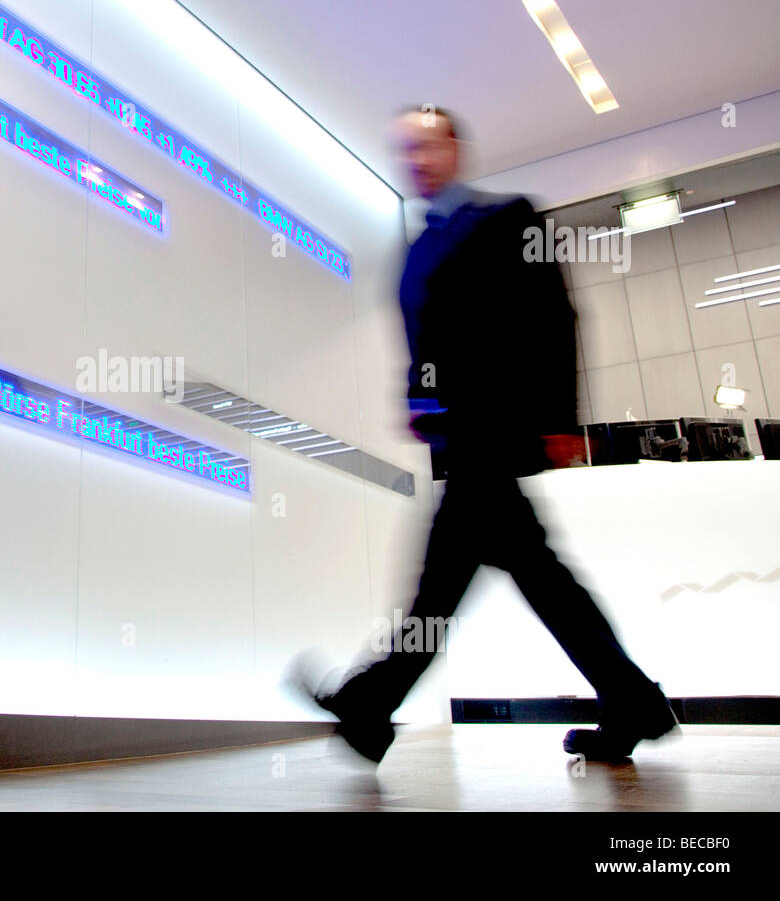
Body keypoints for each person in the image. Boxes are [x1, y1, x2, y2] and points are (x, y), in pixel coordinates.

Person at [290, 105, 678, 765]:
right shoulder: (417, 247)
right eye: (406, 151)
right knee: (523, 584)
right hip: (462, 438)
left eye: (428, 147)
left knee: (446, 588)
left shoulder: (506, 217)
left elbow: (556, 315)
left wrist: (560, 418)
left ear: (456, 152)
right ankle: (633, 702)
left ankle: (370, 705)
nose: (417, 161)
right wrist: (419, 400)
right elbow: (426, 341)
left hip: (497, 431)